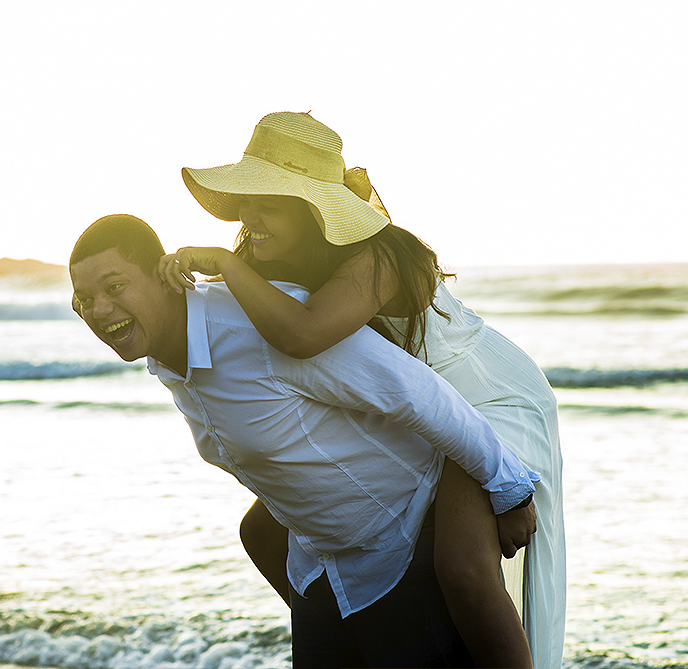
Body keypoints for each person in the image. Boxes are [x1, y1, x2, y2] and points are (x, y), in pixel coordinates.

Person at [162, 111, 566, 669]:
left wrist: (228, 266)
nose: (250, 219)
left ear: (313, 211)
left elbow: (303, 336)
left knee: (462, 565)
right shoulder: (272, 264)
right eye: (246, 203)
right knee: (260, 531)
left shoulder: (377, 256)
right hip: (416, 405)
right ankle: (362, 633)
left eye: (269, 204)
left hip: (485, 400)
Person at [69, 213, 541, 669]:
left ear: (163, 275)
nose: (100, 310)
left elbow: (415, 393)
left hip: (405, 544)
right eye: (83, 300)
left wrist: (508, 487)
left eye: (114, 287)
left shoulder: (255, 327)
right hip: (321, 570)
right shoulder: (167, 355)